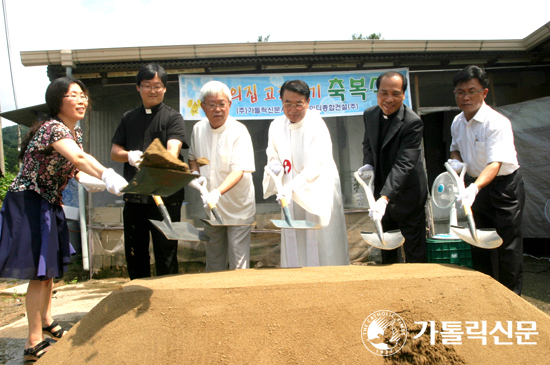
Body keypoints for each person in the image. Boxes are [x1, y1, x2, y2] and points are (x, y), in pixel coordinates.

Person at [0, 77, 127, 361]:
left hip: (49, 201)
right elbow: (80, 159)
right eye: (74, 95)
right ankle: (33, 341)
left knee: (50, 270)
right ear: (58, 100)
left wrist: (95, 181)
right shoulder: (53, 128)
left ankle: (46, 321)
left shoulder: (74, 133)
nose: (82, 100)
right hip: (29, 202)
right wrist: (106, 174)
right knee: (40, 271)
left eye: (83, 95)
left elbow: (75, 169)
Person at [448, 65, 525, 295]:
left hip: (504, 187)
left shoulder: (496, 122)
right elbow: (455, 149)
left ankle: (512, 298)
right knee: (478, 241)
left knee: (507, 245)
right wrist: (456, 162)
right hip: (475, 186)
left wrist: (474, 188)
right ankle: (486, 296)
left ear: (484, 92)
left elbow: (495, 164)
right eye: (460, 92)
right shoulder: (457, 122)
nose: (466, 97)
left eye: (472, 91)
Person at [110, 63, 188, 280]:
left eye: (158, 85)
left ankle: (168, 298)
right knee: (135, 252)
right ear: (138, 87)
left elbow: (174, 150)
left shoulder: (173, 118)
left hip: (166, 197)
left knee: (166, 252)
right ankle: (136, 294)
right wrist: (128, 156)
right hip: (135, 198)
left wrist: (156, 162)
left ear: (164, 88)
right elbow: (115, 151)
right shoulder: (128, 118)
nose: (153, 90)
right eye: (147, 85)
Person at [263, 80, 349, 267]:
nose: (293, 109)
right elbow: (272, 154)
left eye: (298, 103)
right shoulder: (276, 125)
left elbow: (318, 163)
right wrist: (275, 166)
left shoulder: (317, 125)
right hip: (289, 194)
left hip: (317, 192)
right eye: (288, 103)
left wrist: (292, 187)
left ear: (308, 102)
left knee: (322, 241)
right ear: (281, 102)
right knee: (295, 239)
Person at [358, 71, 427, 264]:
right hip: (382, 190)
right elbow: (368, 144)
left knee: (414, 247)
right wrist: (368, 163)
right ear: (377, 93)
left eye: (396, 93)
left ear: (404, 95)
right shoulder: (370, 114)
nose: (389, 99)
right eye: (384, 93)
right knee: (386, 243)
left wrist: (385, 198)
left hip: (409, 194)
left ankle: (419, 286)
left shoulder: (413, 122)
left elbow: (404, 164)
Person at [188, 81, 255, 271]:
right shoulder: (198, 129)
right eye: (211, 104)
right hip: (211, 207)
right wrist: (195, 174)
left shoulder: (239, 131)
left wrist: (217, 192)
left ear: (229, 105)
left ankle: (240, 298)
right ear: (202, 107)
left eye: (222, 104)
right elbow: (193, 158)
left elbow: (239, 170)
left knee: (238, 260)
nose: (217, 109)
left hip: (238, 207)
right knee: (214, 259)